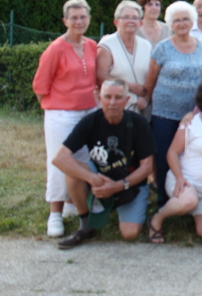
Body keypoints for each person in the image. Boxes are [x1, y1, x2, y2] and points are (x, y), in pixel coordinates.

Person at [51, 80, 155, 248]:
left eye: (118, 97)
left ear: (127, 100)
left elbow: (147, 167)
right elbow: (59, 158)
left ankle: (118, 203)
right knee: (72, 171)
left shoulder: (139, 123)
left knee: (130, 233)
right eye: (107, 97)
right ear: (98, 98)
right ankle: (86, 224)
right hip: (99, 176)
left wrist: (118, 187)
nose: (112, 103)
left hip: (129, 182)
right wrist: (93, 179)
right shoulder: (90, 122)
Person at [33, 0, 98, 238]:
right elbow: (40, 86)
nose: (79, 21)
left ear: (89, 19)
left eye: (83, 17)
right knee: (60, 163)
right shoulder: (56, 48)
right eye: (74, 17)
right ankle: (55, 214)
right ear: (65, 21)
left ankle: (74, 204)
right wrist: (54, 111)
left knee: (82, 161)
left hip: (88, 111)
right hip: (61, 114)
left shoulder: (92, 45)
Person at [148, 79, 202, 243]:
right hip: (184, 180)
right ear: (201, 100)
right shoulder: (191, 122)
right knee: (188, 200)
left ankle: (192, 210)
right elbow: (172, 152)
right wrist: (180, 177)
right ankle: (156, 219)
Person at [144, 1, 202, 207]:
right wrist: (146, 100)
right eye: (176, 20)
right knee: (164, 156)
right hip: (165, 113)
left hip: (194, 114)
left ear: (192, 22)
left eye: (185, 19)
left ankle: (188, 196)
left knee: (190, 156)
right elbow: (150, 79)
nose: (181, 23)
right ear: (170, 23)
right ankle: (163, 200)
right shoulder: (163, 48)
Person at [96, 0, 152, 115]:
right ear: (116, 22)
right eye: (126, 17)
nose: (131, 21)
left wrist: (146, 98)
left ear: (140, 23)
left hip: (142, 110)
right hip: (114, 110)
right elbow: (101, 77)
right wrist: (129, 87)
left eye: (135, 18)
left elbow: (152, 76)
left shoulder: (146, 45)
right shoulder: (107, 45)